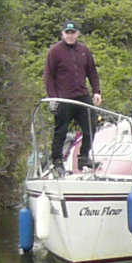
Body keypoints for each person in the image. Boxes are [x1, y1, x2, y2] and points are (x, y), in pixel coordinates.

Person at [44, 22, 102, 172]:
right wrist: (53, 98)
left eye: (73, 32)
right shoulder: (55, 51)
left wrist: (96, 91)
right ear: (62, 34)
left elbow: (92, 72)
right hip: (64, 98)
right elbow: (49, 76)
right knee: (60, 131)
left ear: (78, 33)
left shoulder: (84, 50)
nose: (70, 35)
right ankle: (57, 162)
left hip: (82, 95)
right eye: (67, 32)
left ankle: (83, 157)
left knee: (91, 126)